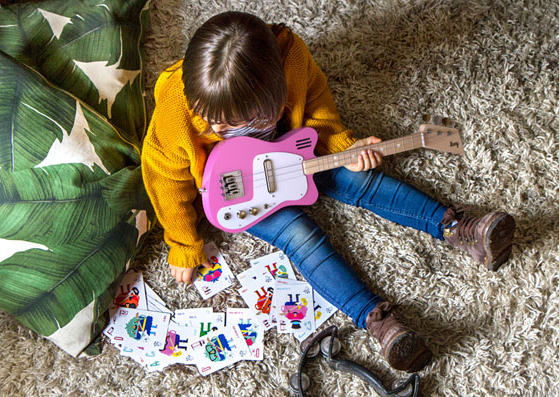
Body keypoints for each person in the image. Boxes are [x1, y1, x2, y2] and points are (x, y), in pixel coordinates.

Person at [141, 11, 516, 373]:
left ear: (279, 90)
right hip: (243, 194)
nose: (227, 129)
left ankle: (459, 228)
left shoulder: (293, 58)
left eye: (248, 122)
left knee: (358, 181)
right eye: (217, 124)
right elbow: (163, 178)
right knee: (300, 236)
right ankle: (378, 321)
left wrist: (342, 147)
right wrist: (182, 242)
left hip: (294, 153)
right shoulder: (176, 108)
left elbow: (318, 103)